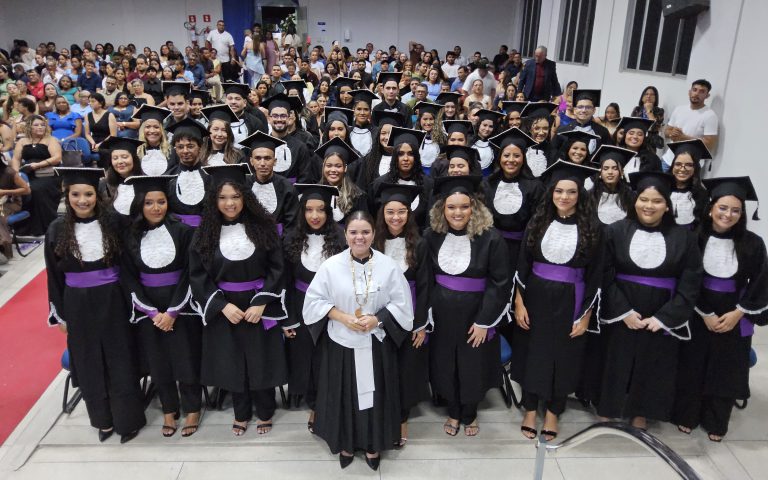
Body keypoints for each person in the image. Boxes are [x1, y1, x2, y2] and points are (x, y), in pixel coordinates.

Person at [303, 210, 414, 470]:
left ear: (374, 234)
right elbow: (313, 302)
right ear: (345, 235)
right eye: (353, 232)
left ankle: (374, 444)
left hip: (376, 344)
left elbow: (402, 304)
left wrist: (377, 319)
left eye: (365, 232)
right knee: (344, 395)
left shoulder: (388, 266)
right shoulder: (331, 266)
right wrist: (341, 317)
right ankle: (346, 443)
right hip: (341, 344)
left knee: (376, 397)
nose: (359, 237)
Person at [45, 167, 146, 443]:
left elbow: (128, 265)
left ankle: (128, 420)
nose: (83, 200)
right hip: (77, 303)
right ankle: (103, 420)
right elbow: (54, 277)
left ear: (97, 195)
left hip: (113, 299)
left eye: (88, 194)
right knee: (89, 361)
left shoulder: (113, 223)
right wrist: (60, 315)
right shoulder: (56, 229)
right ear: (67, 196)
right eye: (76, 195)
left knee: (120, 358)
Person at [598, 171, 703, 431]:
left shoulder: (684, 237)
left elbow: (690, 281)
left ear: (667, 206)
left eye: (657, 201)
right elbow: (604, 273)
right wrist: (623, 311)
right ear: (635, 201)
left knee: (653, 361)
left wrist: (665, 317)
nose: (649, 206)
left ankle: (640, 411)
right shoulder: (615, 231)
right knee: (616, 358)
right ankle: (609, 406)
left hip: (661, 309)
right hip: (623, 306)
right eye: (644, 199)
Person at [189, 163, 289, 436]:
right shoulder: (205, 232)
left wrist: (261, 302)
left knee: (261, 360)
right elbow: (198, 275)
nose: (229, 203)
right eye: (222, 197)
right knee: (232, 361)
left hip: (258, 303)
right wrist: (221, 306)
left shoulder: (264, 227)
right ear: (214, 200)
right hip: (225, 306)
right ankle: (241, 412)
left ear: (245, 197)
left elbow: (277, 268)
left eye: (235, 196)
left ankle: (265, 411)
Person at [673, 177, 768, 442]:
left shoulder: (753, 243)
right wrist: (705, 312)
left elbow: (761, 282)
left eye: (736, 210)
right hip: (698, 309)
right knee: (693, 363)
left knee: (726, 367)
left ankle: (716, 419)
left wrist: (739, 312)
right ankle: (687, 415)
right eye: (723, 208)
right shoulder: (694, 238)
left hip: (734, 312)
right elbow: (685, 278)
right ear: (711, 208)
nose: (728, 214)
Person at [514, 161, 602, 441]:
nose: (564, 197)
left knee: (565, 356)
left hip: (572, 297)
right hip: (535, 294)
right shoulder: (537, 221)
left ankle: (553, 412)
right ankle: (530, 409)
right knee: (533, 351)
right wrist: (519, 303)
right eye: (559, 191)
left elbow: (596, 276)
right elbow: (522, 265)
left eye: (571, 192)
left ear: (580, 195)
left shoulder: (592, 228)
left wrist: (586, 315)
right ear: (551, 193)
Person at [424, 175, 509, 437]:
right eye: (451, 207)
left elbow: (500, 283)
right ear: (442, 209)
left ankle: (470, 412)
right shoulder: (431, 236)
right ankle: (453, 410)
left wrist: (485, 321)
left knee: (473, 364)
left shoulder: (491, 238)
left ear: (474, 208)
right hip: (442, 314)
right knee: (445, 362)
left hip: (476, 314)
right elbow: (426, 278)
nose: (457, 212)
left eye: (464, 206)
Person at [120, 175, 202, 438]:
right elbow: (129, 277)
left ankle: (192, 407)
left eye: (161, 202)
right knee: (158, 361)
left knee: (185, 357)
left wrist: (173, 311)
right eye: (149, 203)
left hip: (181, 306)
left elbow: (191, 272)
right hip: (149, 309)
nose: (156, 208)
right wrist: (152, 312)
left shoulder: (184, 232)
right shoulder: (130, 236)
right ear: (139, 205)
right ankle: (169, 409)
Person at [282, 183, 346, 424]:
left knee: (330, 356)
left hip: (334, 306)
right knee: (305, 356)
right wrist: (288, 318)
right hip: (300, 304)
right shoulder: (291, 238)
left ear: (328, 212)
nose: (315, 215)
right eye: (309, 210)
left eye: (320, 210)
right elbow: (285, 282)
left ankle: (332, 401)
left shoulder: (341, 238)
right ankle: (315, 404)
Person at [372, 183, 430, 448]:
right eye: (390, 212)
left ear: (409, 213)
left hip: (410, 313)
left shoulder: (420, 243)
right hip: (379, 314)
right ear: (382, 213)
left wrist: (420, 325)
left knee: (405, 367)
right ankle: (381, 412)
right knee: (380, 365)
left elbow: (426, 285)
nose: (396, 217)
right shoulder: (374, 242)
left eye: (402, 212)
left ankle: (402, 417)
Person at [10, 115, 62, 236]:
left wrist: (38, 165)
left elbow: (57, 158)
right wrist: (16, 174)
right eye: (36, 125)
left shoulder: (51, 140)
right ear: (29, 127)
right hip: (27, 173)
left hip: (48, 174)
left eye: (42, 125)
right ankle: (24, 226)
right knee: (22, 188)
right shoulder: (22, 141)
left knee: (36, 189)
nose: (40, 127)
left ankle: (45, 227)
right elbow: (16, 159)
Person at [371, 127, 433, 230]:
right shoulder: (380, 183)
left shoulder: (428, 184)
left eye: (410, 154)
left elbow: (429, 221)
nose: (405, 159)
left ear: (416, 157)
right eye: (400, 154)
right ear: (395, 157)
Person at [238, 130, 298, 235]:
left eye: (267, 158)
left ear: (274, 161)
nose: (262, 163)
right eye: (258, 158)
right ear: (251, 161)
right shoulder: (243, 185)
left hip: (279, 240)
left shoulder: (286, 187)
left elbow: (292, 225)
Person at [663, 79, 718, 169]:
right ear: (689, 92)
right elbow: (666, 131)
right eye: (694, 90)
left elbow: (710, 144)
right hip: (668, 160)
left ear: (707, 96)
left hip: (691, 165)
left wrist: (684, 137)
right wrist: (671, 133)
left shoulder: (710, 115)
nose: (696, 94)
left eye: (702, 92)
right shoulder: (679, 109)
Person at [166, 118, 210, 227]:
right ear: (176, 149)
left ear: (200, 147)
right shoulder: (168, 177)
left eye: (190, 146)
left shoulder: (210, 175)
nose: (185, 151)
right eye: (180, 147)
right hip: (177, 231)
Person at [261, 93, 313, 183]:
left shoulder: (300, 147)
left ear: (289, 118)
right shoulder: (261, 145)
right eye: (275, 116)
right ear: (269, 119)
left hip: (293, 190)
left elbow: (305, 178)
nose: (279, 119)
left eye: (283, 116)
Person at [316, 136, 368, 224]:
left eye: (338, 166)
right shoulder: (315, 193)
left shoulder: (358, 196)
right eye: (329, 165)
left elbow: (363, 224)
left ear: (345, 168)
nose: (333, 170)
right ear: (323, 167)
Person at [589, 145, 637, 226]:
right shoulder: (590, 196)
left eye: (615, 168)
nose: (610, 172)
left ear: (622, 172)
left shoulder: (631, 197)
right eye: (606, 168)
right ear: (600, 172)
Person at [98, 136, 144, 219]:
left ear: (134, 158)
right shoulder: (104, 185)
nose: (120, 162)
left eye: (124, 157)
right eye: (115, 158)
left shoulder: (146, 182)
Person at [668, 139, 710, 229]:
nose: (682, 169)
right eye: (678, 164)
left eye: (689, 165)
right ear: (672, 166)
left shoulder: (702, 195)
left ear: (695, 168)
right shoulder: (662, 189)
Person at [555, 89, 612, 154]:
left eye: (588, 107)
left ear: (594, 110)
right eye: (580, 107)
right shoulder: (563, 130)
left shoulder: (603, 132)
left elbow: (607, 154)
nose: (584, 110)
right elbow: (554, 151)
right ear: (575, 110)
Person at [0, 156, 31, 260]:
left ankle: (4, 245)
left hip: (10, 202)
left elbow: (27, 190)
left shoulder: (9, 172)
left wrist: (5, 192)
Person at [133, 105, 173, 176]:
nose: (152, 131)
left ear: (162, 130)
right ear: (142, 129)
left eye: (156, 127)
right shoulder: (136, 152)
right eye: (147, 127)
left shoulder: (171, 151)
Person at [84, 92, 117, 168]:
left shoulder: (109, 115)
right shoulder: (87, 115)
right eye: (89, 101)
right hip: (93, 140)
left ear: (101, 103)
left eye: (93, 101)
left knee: (104, 152)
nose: (90, 103)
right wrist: (93, 143)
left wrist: (100, 144)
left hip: (107, 140)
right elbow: (87, 133)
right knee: (84, 150)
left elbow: (113, 135)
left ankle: (105, 171)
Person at [631, 86, 665, 151]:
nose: (649, 96)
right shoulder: (637, 109)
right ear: (642, 97)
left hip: (650, 145)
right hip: (636, 141)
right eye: (646, 94)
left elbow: (655, 127)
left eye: (652, 95)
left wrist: (649, 111)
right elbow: (633, 125)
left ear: (655, 98)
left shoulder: (659, 111)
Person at [471, 109, 504, 176]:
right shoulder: (469, 141)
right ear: (479, 124)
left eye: (490, 126)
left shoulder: (496, 146)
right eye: (484, 125)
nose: (487, 129)